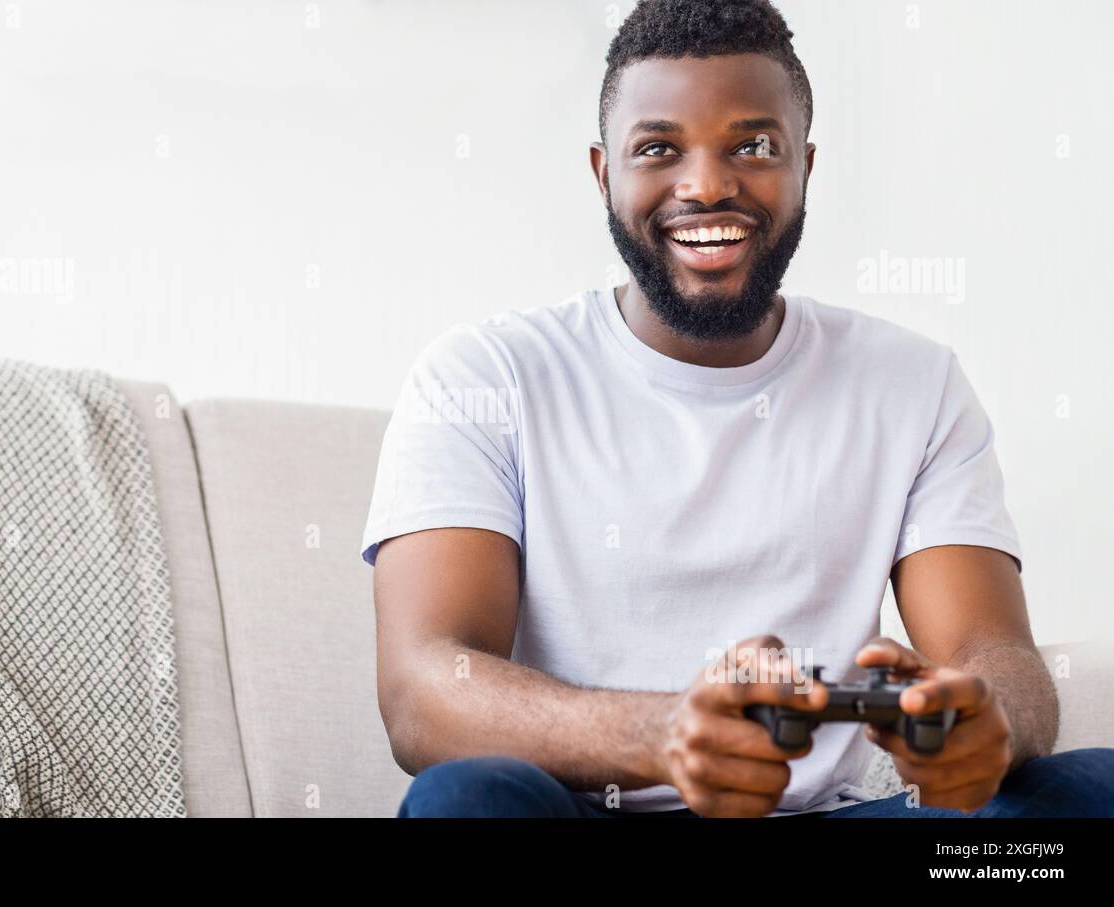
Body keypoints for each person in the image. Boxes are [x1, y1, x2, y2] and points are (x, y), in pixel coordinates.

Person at [360, 0, 1114, 818]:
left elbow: (993, 650)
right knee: (464, 799)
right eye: (658, 148)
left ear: (805, 169)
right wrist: (662, 734)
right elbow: (421, 688)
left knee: (1084, 788)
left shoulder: (914, 382)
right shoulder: (484, 375)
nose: (708, 184)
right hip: (588, 812)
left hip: (824, 814)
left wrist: (984, 721)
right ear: (603, 171)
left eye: (754, 146)